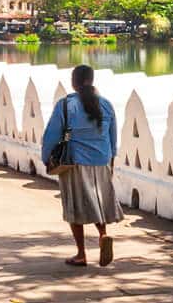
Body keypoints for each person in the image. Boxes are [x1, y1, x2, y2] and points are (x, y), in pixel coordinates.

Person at [40, 63, 122, 266]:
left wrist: (46, 157)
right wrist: (110, 160)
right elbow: (113, 138)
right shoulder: (106, 104)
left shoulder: (66, 104)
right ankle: (103, 236)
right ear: (91, 80)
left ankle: (81, 254)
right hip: (102, 161)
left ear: (74, 82)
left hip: (75, 162)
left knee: (75, 207)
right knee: (97, 203)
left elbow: (51, 135)